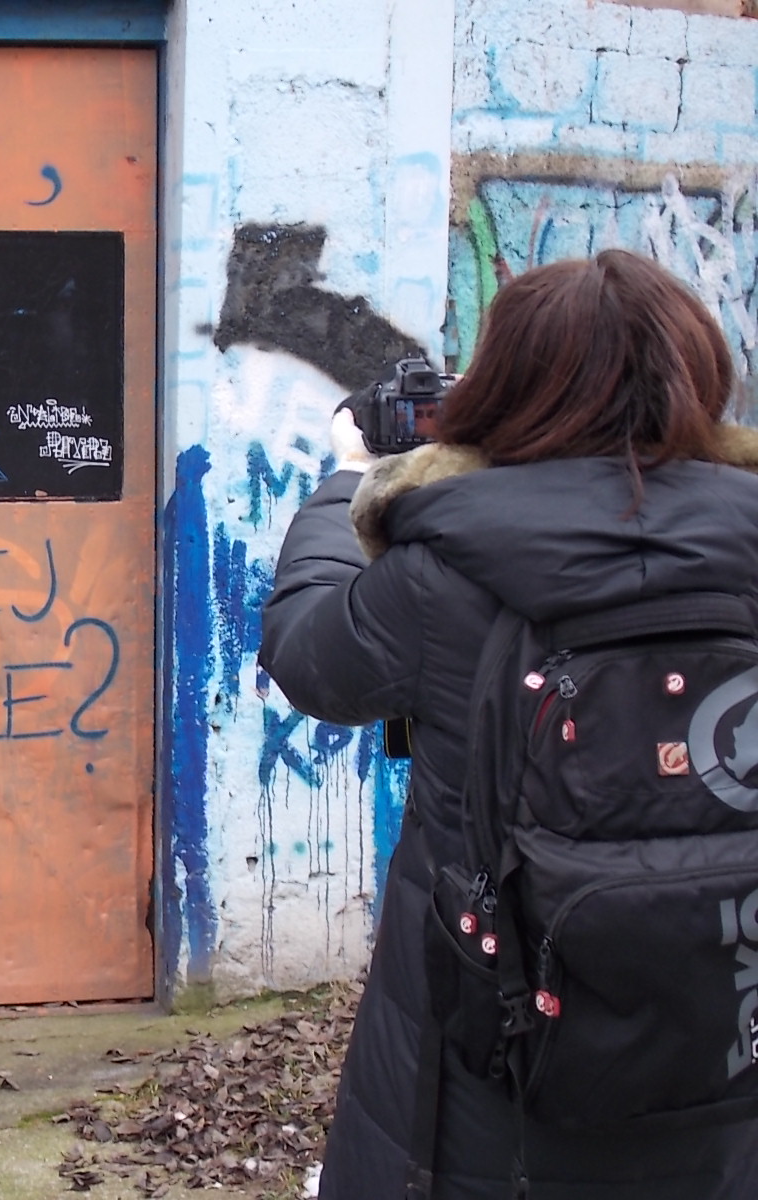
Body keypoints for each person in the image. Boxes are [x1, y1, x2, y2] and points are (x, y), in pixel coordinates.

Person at [257, 249, 758, 1199]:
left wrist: (347, 482)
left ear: (508, 385)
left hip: (486, 1094)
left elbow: (309, 657)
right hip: (724, 1065)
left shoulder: (448, 567)